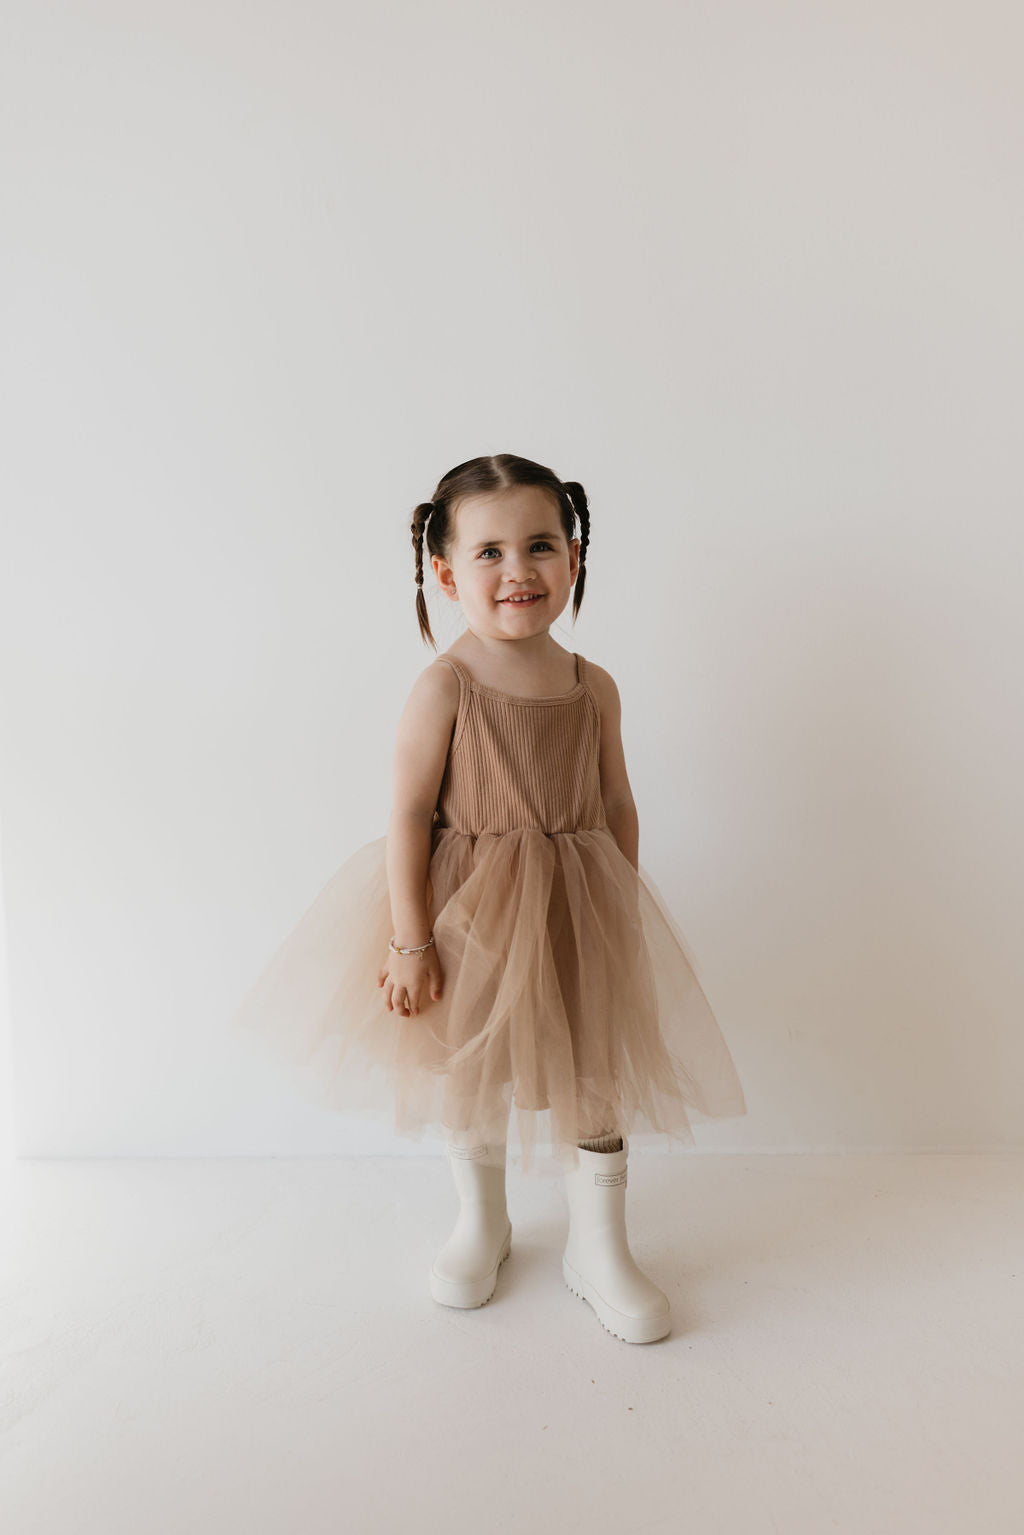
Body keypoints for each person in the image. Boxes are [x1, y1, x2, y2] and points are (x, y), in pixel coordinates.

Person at [229, 452, 747, 1344]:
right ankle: (483, 1220)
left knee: (598, 1069)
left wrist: (620, 898)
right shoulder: (446, 685)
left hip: (578, 907)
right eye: (491, 552)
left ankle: (600, 1244)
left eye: (541, 545)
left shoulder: (594, 685)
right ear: (443, 569)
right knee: (474, 1069)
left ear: (574, 557)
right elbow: (405, 813)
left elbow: (617, 800)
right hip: (470, 910)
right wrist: (408, 937)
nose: (519, 571)